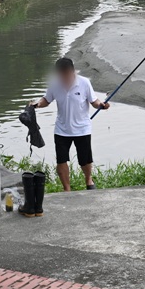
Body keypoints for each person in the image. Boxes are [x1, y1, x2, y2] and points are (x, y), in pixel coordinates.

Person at [33, 57, 109, 191]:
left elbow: (94, 101)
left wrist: (101, 105)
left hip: (82, 129)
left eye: (67, 74)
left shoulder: (84, 83)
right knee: (61, 160)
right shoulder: (54, 84)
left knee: (85, 160)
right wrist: (37, 105)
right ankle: (67, 189)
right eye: (61, 75)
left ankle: (88, 180)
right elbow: (46, 99)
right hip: (61, 129)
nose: (64, 78)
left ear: (73, 71)